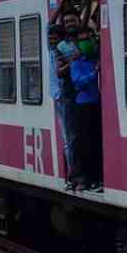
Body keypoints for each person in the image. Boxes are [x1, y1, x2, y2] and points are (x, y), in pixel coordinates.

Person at [68, 27, 103, 192]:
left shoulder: (95, 59)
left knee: (96, 142)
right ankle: (84, 177)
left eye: (89, 38)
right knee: (84, 144)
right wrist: (93, 74)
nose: (87, 42)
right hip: (83, 105)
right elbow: (78, 82)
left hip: (96, 104)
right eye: (83, 40)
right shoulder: (76, 63)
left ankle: (96, 177)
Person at [48, 24, 77, 180]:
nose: (51, 40)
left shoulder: (61, 50)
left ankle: (72, 170)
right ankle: (72, 170)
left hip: (64, 95)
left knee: (69, 137)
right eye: (50, 38)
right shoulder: (54, 50)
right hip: (59, 96)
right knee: (68, 138)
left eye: (54, 37)